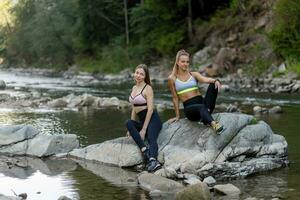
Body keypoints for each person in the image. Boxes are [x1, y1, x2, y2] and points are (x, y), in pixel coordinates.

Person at [168, 49, 224, 133]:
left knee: (213, 85)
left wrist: (215, 80)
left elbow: (205, 79)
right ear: (177, 62)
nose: (185, 64)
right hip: (190, 110)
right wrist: (177, 116)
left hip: (204, 105)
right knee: (202, 107)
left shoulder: (193, 74)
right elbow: (175, 98)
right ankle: (213, 124)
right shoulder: (172, 78)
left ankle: (205, 116)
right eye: (183, 62)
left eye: (187, 62)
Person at [126, 64, 162, 172]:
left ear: (145, 76)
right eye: (137, 73)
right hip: (142, 120)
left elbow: (150, 110)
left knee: (151, 138)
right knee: (128, 123)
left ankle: (153, 160)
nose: (138, 76)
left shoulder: (148, 88)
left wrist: (144, 129)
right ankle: (145, 151)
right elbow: (134, 108)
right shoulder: (134, 88)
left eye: (141, 74)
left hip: (153, 120)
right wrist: (130, 129)